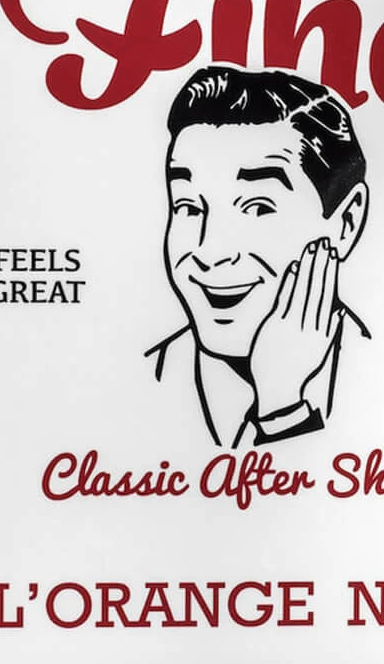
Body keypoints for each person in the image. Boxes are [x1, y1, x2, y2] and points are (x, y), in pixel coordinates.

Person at [146, 65, 369, 445]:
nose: (210, 253)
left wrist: (283, 407)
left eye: (257, 208)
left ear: (346, 222)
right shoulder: (139, 377)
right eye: (188, 206)